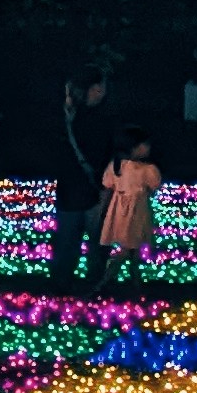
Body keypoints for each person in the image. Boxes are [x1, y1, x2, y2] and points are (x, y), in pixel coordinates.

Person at [47, 71, 112, 289]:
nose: (103, 91)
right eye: (100, 87)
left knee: (69, 238)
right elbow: (106, 154)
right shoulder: (96, 119)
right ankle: (94, 283)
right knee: (96, 239)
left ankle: (62, 282)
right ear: (93, 89)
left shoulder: (68, 118)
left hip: (71, 189)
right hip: (93, 189)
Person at [87, 126, 160, 289]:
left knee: (132, 250)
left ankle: (134, 283)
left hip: (122, 210)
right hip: (134, 212)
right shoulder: (145, 170)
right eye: (145, 145)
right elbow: (153, 186)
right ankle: (102, 284)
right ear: (134, 147)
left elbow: (108, 184)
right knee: (128, 248)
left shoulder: (118, 166)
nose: (148, 148)